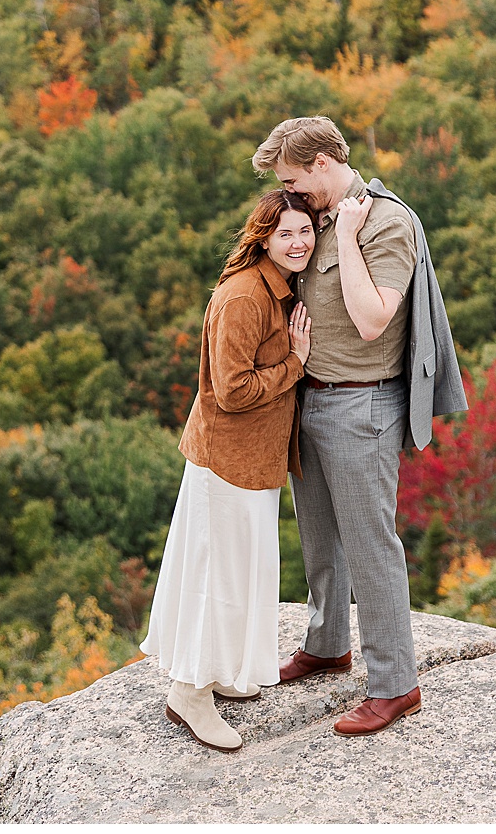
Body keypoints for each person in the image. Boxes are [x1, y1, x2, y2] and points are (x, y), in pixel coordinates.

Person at [253, 115, 466, 737]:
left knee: (372, 546)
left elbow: (373, 319)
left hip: (361, 405)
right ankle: (327, 644)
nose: (292, 191)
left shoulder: (386, 221)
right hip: (309, 396)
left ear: (323, 164)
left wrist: (345, 236)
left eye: (296, 179)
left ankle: (396, 685)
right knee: (320, 536)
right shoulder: (312, 213)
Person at [142, 188, 315, 752]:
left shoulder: (279, 290)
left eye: (305, 231)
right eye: (285, 232)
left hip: (254, 461)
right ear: (263, 235)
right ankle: (188, 693)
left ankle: (214, 672)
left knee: (237, 572)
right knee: (215, 575)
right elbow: (235, 390)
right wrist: (295, 363)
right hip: (227, 460)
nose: (298, 243)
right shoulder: (243, 296)